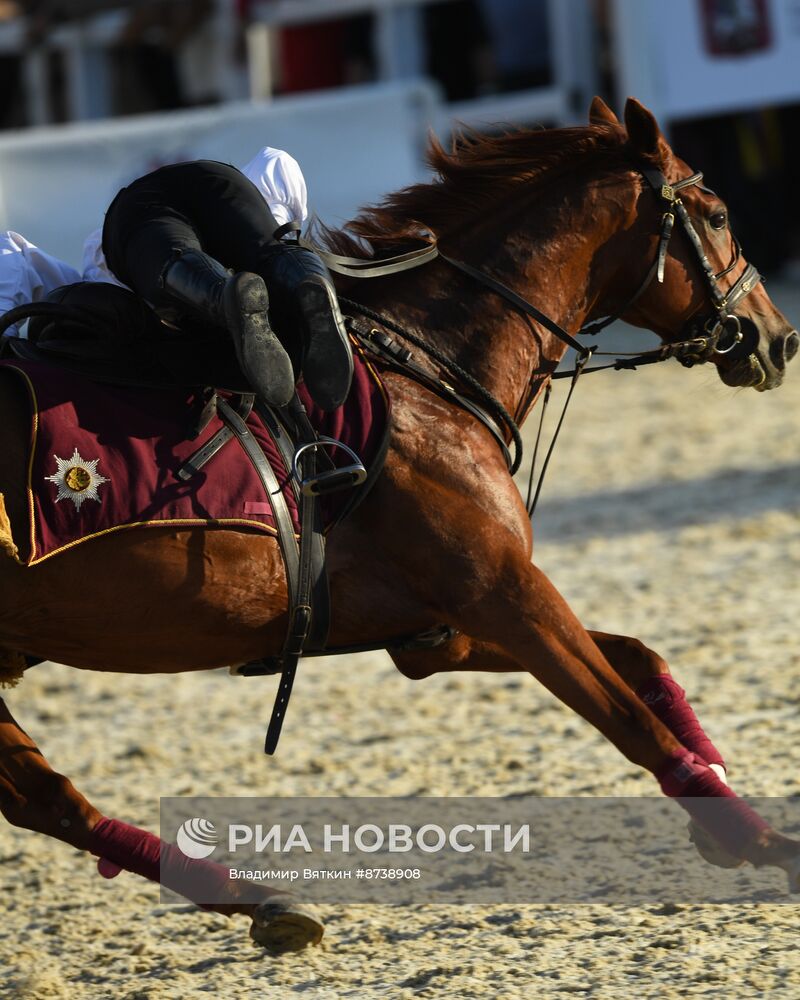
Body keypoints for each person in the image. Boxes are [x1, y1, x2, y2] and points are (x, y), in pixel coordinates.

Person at [1, 147, 352, 410]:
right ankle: (306, 279)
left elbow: (15, 255)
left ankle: (227, 295)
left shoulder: (87, 290)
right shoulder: (82, 285)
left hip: (146, 216)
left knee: (177, 261)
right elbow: (276, 164)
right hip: (219, 185)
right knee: (265, 254)